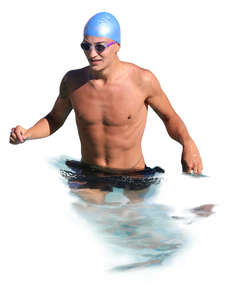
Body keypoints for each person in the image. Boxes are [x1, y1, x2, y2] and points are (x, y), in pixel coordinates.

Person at [9, 12, 202, 203]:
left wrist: (188, 143)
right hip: (89, 174)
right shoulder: (72, 81)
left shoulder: (142, 80)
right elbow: (54, 119)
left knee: (137, 226)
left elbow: (169, 117)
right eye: (86, 46)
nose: (92, 54)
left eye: (100, 47)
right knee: (90, 223)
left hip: (133, 176)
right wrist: (28, 134)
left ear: (117, 46)